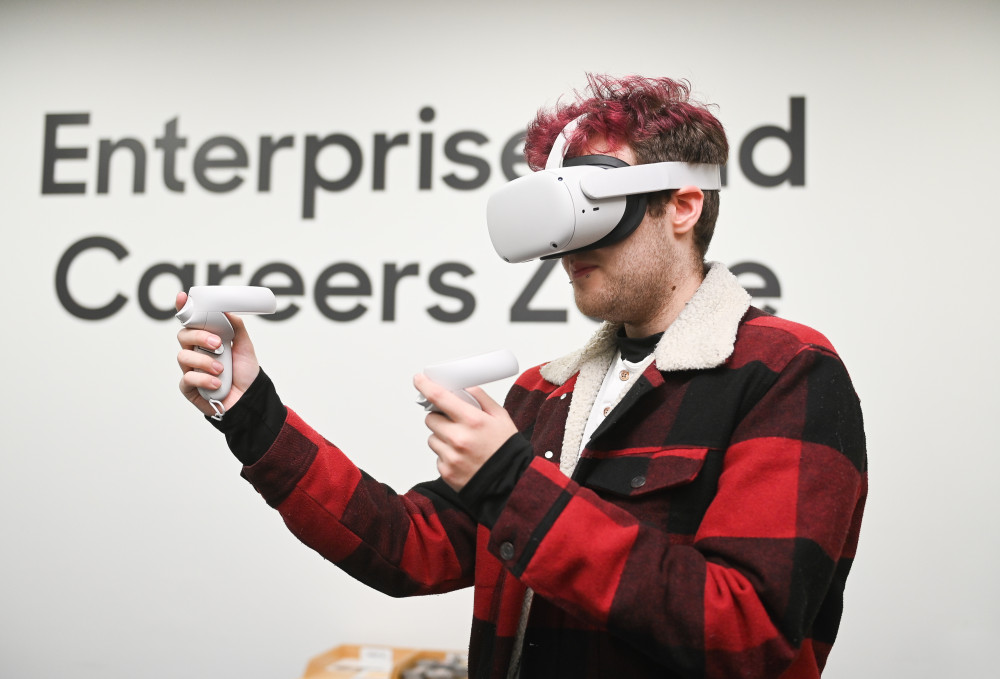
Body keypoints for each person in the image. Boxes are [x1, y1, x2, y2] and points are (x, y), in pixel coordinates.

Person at [176, 74, 867, 679]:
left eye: (590, 202)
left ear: (682, 205)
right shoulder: (545, 393)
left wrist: (510, 480)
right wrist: (249, 410)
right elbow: (405, 546)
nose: (566, 245)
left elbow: (746, 634)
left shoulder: (784, 373)